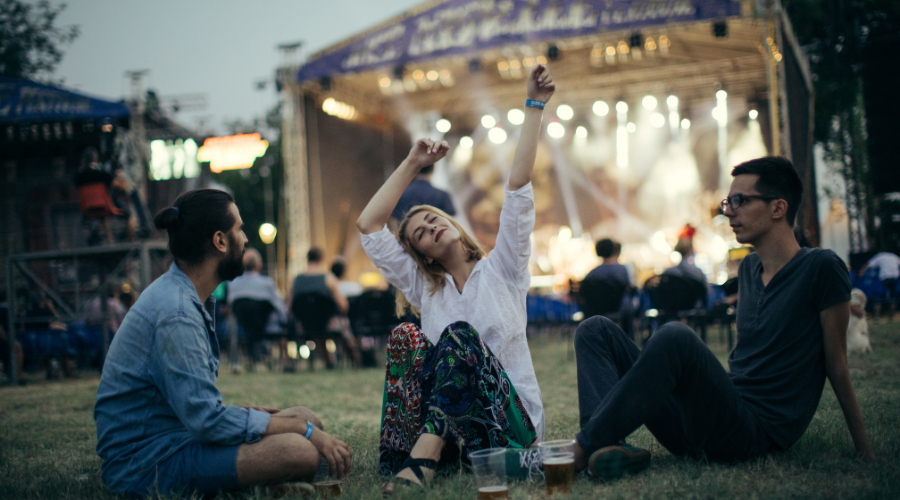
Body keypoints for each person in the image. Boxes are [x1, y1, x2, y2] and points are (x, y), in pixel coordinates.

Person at [571, 156, 874, 482]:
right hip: (709, 422)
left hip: (755, 434)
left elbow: (836, 362)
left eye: (740, 201)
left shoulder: (821, 267)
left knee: (674, 336)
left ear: (778, 208)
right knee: (595, 329)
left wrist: (864, 448)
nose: (728, 210)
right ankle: (603, 446)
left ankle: (579, 450)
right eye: (728, 201)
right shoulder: (748, 269)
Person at [357, 64, 555, 494]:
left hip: (508, 423)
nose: (428, 227)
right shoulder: (427, 290)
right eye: (418, 235)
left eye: (431, 219)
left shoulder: (503, 268)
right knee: (407, 337)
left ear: (449, 220)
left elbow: (518, 188)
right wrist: (413, 163)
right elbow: (370, 226)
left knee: (460, 335)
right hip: (454, 438)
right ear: (421, 255)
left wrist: (534, 106)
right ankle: (409, 454)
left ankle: (420, 463)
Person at [94, 189, 351, 498]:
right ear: (220, 241)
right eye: (240, 229)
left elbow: (196, 408)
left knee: (307, 416)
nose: (245, 239)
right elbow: (206, 422)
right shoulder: (176, 313)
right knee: (301, 449)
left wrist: (267, 419)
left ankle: (253, 480)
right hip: (146, 462)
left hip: (180, 436)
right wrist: (297, 430)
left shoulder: (188, 297)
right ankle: (254, 483)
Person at [290, 248, 360, 367]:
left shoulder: (296, 280)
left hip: (304, 324)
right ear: (321, 260)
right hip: (327, 323)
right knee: (341, 323)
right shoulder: (328, 278)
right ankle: (356, 359)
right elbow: (343, 306)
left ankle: (329, 361)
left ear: (307, 259)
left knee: (317, 326)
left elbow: (289, 306)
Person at [228, 248, 289, 367]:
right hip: (266, 327)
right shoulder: (267, 283)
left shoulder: (233, 284)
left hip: (243, 327)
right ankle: (284, 360)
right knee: (283, 324)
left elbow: (230, 307)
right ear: (258, 265)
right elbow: (280, 307)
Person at [389, 163, 456, 229]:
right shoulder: (442, 194)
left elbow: (394, 223)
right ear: (432, 170)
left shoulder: (400, 196)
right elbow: (451, 221)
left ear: (415, 171)